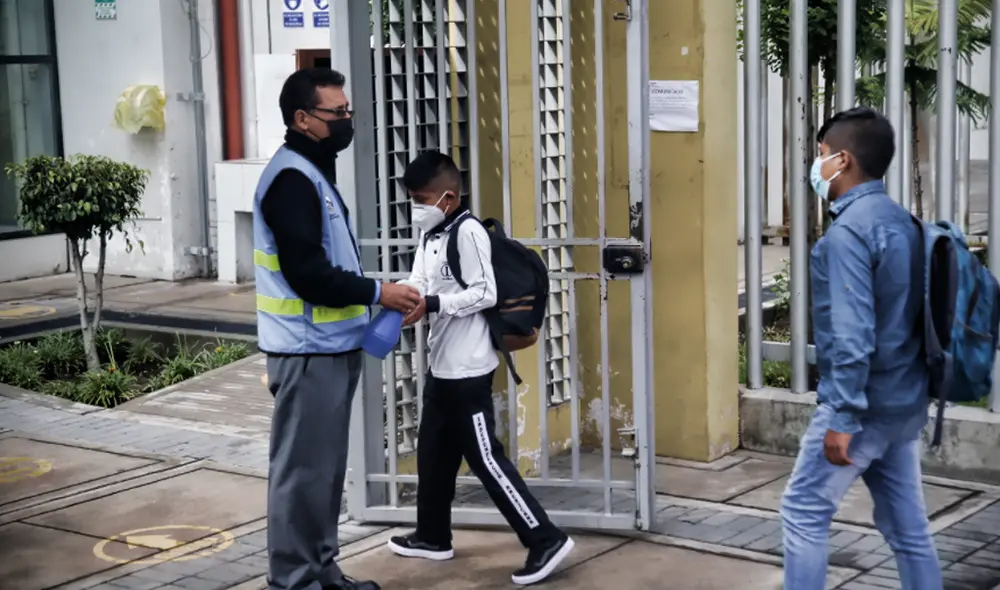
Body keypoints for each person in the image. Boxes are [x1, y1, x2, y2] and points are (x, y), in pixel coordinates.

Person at [253, 67, 422, 590]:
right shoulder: (290, 180)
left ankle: (322, 573)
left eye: (348, 111)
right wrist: (378, 293)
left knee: (323, 476)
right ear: (303, 119)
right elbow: (307, 274)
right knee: (302, 476)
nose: (347, 121)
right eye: (337, 113)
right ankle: (296, 582)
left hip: (329, 348)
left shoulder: (312, 172)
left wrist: (376, 295)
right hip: (306, 352)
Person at [385, 151, 575, 586]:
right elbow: (420, 279)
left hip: (469, 369)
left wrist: (433, 304)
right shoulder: (431, 235)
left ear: (448, 198)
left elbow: (485, 293)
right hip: (442, 365)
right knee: (433, 455)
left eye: (421, 198)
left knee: (487, 460)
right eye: (411, 198)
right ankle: (432, 536)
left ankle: (545, 539)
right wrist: (408, 296)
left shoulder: (468, 232)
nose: (415, 207)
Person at [779, 107, 943, 590]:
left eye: (822, 154)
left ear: (844, 159)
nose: (817, 163)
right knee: (908, 530)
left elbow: (851, 337)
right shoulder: (903, 222)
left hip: (863, 405)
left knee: (803, 512)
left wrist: (843, 418)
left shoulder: (848, 233)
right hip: (903, 402)